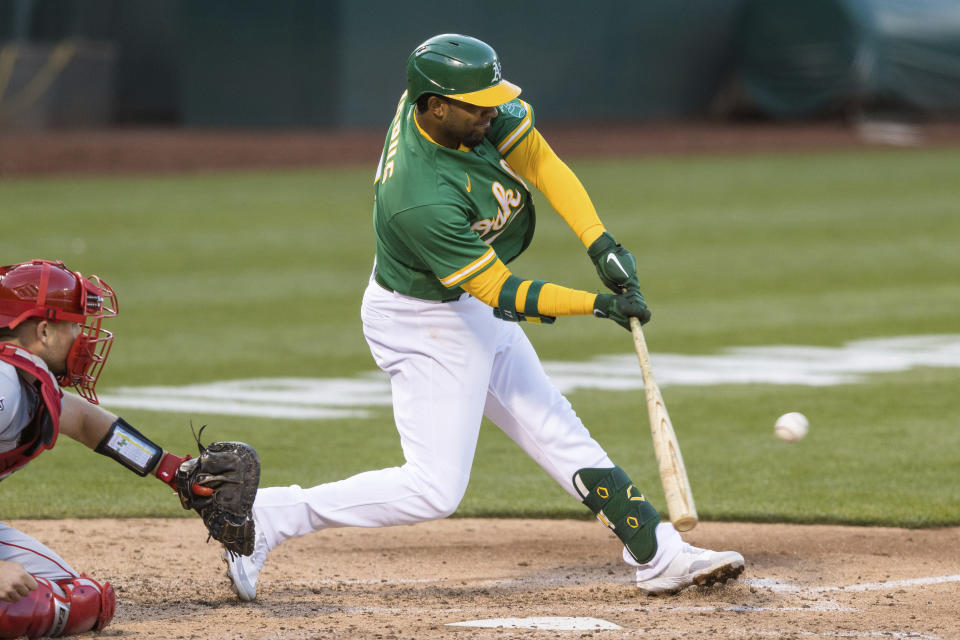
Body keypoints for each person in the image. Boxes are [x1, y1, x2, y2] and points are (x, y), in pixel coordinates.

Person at [225, 34, 744, 600]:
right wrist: (596, 304)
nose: (491, 112)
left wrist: (601, 244)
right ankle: (269, 517)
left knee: (553, 423)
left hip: (461, 303)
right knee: (433, 489)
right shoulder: (417, 198)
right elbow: (500, 291)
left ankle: (658, 553)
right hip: (422, 322)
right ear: (434, 106)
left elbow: (541, 161)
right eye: (478, 104)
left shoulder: (451, 110)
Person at [0, 259, 208, 638]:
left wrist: (171, 470)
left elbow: (86, 423)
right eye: (74, 324)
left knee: (77, 601)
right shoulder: (4, 386)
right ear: (44, 330)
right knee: (23, 608)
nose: (84, 336)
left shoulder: (23, 378)